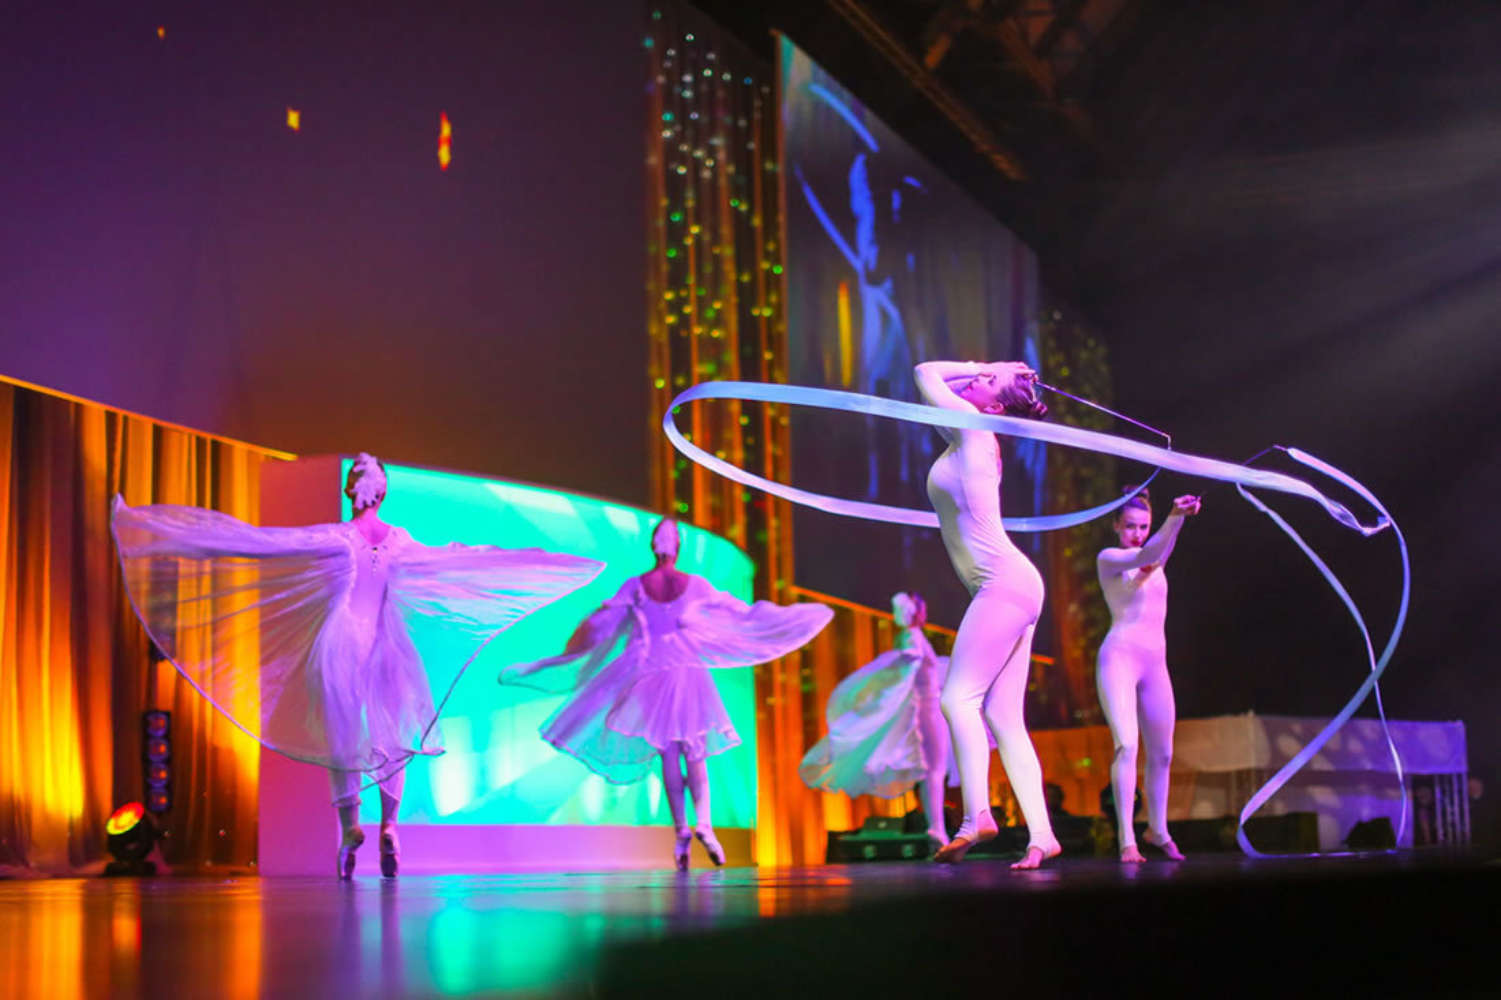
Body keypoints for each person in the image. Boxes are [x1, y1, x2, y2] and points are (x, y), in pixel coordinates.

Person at [112, 453, 603, 879]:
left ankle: (350, 828)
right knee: (392, 737)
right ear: (383, 493)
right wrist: (545, 562)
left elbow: (258, 543)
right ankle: (390, 825)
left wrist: (167, 536)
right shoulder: (401, 542)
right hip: (387, 647)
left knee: (343, 742)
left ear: (353, 490)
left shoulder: (338, 535)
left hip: (341, 645)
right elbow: (465, 558)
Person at [499, 518, 833, 870]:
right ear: (675, 547)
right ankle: (702, 825)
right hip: (684, 671)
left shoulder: (639, 585)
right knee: (694, 751)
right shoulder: (693, 584)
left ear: (656, 545)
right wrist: (778, 619)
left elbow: (604, 620)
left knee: (670, 753)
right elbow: (736, 611)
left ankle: (683, 831)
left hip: (651, 671)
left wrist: (569, 655)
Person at [912, 359, 1060, 868]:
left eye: (987, 384)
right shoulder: (969, 436)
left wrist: (985, 365)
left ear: (993, 407)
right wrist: (996, 377)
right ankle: (1042, 834)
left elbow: (925, 372)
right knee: (1002, 716)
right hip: (1016, 583)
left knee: (957, 698)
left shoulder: (974, 433)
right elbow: (935, 389)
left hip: (1003, 582)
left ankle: (977, 815)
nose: (974, 381)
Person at [799, 592, 954, 851]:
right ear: (917, 613)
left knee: (932, 771)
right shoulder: (912, 636)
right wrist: (910, 660)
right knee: (933, 770)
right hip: (925, 711)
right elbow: (909, 660)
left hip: (929, 707)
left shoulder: (913, 636)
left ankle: (936, 826)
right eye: (923, 609)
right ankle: (936, 827)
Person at [1096, 488, 1201, 862]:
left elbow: (1158, 550)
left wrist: (1178, 519)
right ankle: (1127, 839)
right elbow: (1148, 554)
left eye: (1143, 526)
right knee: (1127, 744)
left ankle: (1157, 830)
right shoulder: (1109, 558)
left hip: (1156, 664)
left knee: (1164, 752)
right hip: (1119, 659)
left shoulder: (1154, 555)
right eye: (1129, 527)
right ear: (1116, 526)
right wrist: (1174, 516)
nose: (1137, 533)